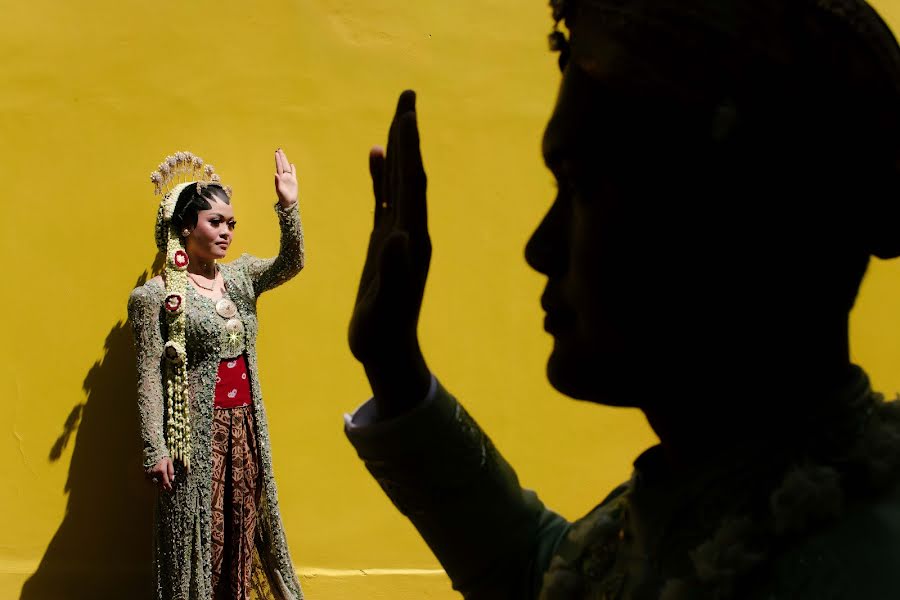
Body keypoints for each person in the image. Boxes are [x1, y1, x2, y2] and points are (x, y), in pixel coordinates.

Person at [344, 0, 900, 598]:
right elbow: (549, 574)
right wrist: (396, 369)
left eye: (582, 186)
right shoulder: (734, 501)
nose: (539, 247)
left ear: (737, 220)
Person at [128, 150, 305, 600]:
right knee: (198, 535)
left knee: (243, 531)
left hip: (244, 430)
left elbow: (290, 263)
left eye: (231, 223)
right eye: (215, 222)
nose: (226, 231)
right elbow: (148, 376)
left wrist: (288, 207)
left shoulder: (242, 277)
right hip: (193, 439)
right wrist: (155, 448)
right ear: (186, 227)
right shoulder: (155, 297)